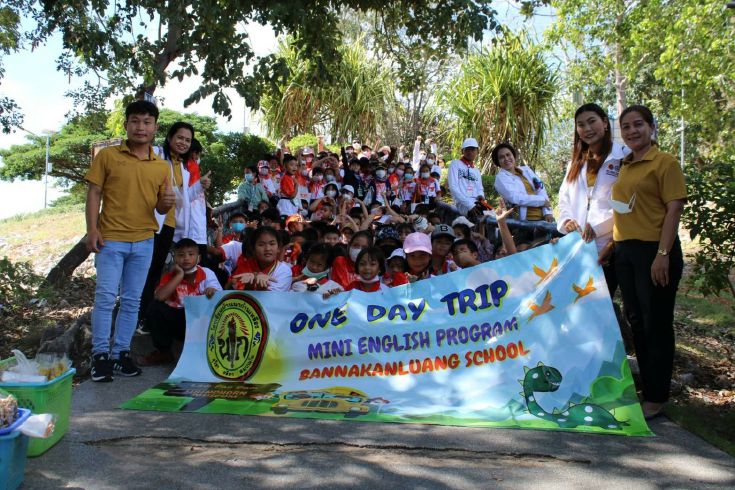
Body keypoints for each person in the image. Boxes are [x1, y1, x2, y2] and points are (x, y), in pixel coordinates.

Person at [85, 100, 173, 382]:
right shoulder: (107, 156)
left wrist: (166, 202)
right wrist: (91, 230)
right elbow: (94, 193)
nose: (140, 127)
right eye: (135, 121)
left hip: (145, 240)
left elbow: (161, 208)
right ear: (126, 125)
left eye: (147, 122)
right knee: (105, 298)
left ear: (155, 127)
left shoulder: (161, 166)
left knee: (132, 301)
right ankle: (100, 355)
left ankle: (121, 353)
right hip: (110, 240)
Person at [612, 104, 686, 420]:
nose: (632, 131)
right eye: (626, 127)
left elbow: (674, 208)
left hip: (654, 251)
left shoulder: (665, 162)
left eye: (638, 124)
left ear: (652, 127)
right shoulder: (625, 165)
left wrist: (663, 254)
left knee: (656, 323)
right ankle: (648, 387)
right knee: (638, 322)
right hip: (625, 252)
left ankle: (657, 397)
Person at [557, 103, 628, 295]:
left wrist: (598, 227)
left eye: (592, 121)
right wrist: (567, 220)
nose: (587, 129)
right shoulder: (575, 162)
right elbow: (564, 197)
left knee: (603, 301)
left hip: (609, 246)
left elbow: (627, 202)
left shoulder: (623, 156)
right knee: (577, 302)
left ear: (604, 123)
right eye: (581, 125)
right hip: (577, 246)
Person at [138, 121, 195, 332]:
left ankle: (145, 317)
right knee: (144, 271)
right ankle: (137, 316)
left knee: (155, 271)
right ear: (170, 137)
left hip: (169, 224)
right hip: (150, 222)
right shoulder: (156, 154)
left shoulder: (183, 167)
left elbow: (182, 199)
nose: (183, 143)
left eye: (187, 140)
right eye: (180, 137)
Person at [142, 239, 221, 365]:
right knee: (154, 308)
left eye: (191, 254)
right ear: (175, 258)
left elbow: (218, 297)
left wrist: (212, 290)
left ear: (199, 258)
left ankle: (206, 352)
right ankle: (164, 352)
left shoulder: (207, 273)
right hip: (179, 323)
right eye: (181, 255)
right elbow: (159, 297)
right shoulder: (170, 275)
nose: (186, 258)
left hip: (200, 322)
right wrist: (179, 276)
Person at [492, 142, 553, 224]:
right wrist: (542, 201)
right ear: (498, 162)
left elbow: (540, 189)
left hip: (544, 218)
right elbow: (515, 198)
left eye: (508, 155)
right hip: (525, 222)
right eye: (501, 157)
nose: (506, 158)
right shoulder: (500, 178)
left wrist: (547, 212)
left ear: (513, 156)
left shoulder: (526, 170)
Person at [228, 226, 292, 291]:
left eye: (272, 244)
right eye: (261, 244)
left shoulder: (284, 270)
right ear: (253, 249)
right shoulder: (244, 266)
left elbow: (273, 296)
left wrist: (261, 287)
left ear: (279, 248)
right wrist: (249, 284)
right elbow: (229, 289)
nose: (267, 249)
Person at [447, 138, 484, 216]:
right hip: (462, 204)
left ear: (477, 151)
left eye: (473, 149)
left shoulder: (476, 170)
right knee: (479, 216)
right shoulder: (455, 164)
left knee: (491, 216)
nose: (470, 152)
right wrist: (469, 205)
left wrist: (481, 196)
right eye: (467, 149)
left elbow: (480, 188)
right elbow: (453, 187)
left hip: (476, 202)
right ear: (462, 151)